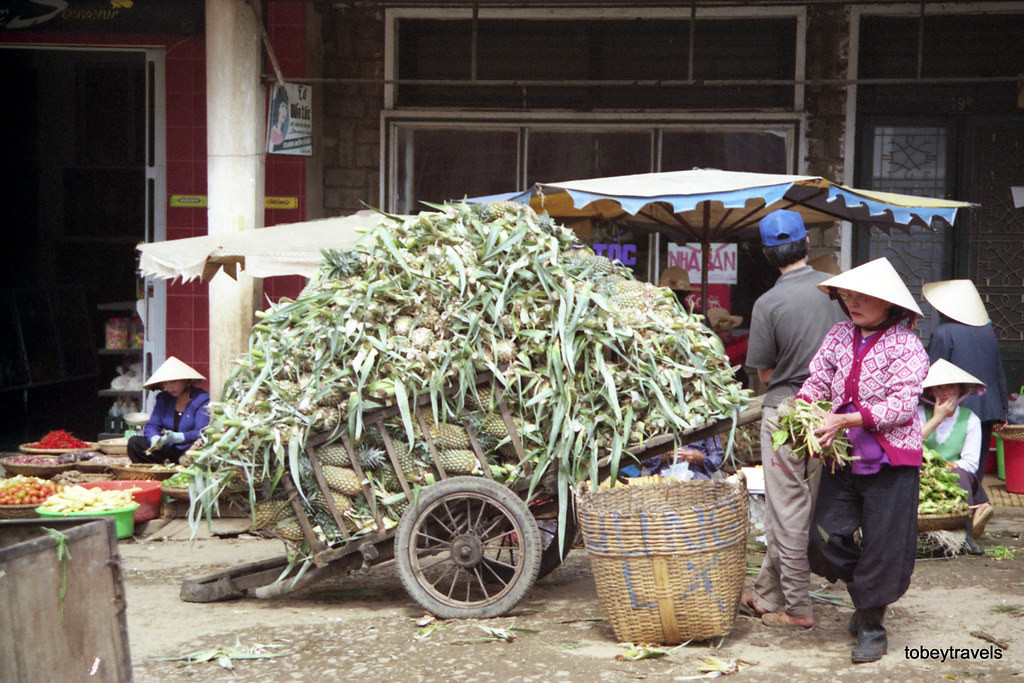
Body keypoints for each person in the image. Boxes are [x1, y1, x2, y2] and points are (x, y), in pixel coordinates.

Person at [797, 256, 930, 664]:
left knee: (884, 545)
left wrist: (846, 418)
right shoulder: (839, 334)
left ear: (889, 304)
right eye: (848, 295)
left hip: (891, 460)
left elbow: (903, 406)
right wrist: (803, 408)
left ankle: (872, 624)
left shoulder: (906, 344)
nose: (852, 302)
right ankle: (868, 595)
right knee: (822, 538)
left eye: (863, 297)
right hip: (844, 456)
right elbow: (818, 377)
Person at [742, 209, 846, 631]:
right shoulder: (835, 293)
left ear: (768, 256)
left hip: (785, 412)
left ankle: (799, 607)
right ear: (807, 244)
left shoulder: (768, 303)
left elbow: (765, 375)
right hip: (829, 418)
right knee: (795, 508)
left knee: (786, 511)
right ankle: (766, 595)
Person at [922, 279, 1008, 484]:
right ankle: (974, 505)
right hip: (987, 408)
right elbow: (999, 371)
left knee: (941, 466)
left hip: (954, 408)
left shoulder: (944, 333)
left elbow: (934, 372)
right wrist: (1003, 409)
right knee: (973, 468)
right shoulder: (989, 333)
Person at [918, 358, 994, 542]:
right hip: (922, 474)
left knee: (961, 475)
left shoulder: (970, 420)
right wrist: (937, 418)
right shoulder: (920, 413)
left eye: (950, 387)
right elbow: (911, 444)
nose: (945, 393)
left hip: (953, 476)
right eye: (939, 388)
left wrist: (945, 467)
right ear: (930, 391)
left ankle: (966, 533)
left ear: (959, 389)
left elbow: (970, 463)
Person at [127, 356, 210, 465]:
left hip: (191, 448)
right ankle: (173, 463)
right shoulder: (164, 399)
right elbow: (152, 425)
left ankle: (180, 462)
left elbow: (202, 432)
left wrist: (179, 437)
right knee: (135, 443)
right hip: (170, 450)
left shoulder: (201, 399)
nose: (169, 387)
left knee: (200, 449)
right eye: (165, 384)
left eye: (173, 382)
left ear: (185, 380)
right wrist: (154, 438)